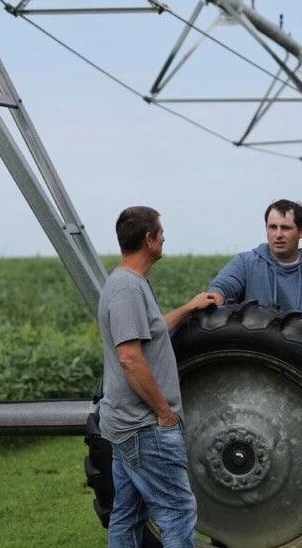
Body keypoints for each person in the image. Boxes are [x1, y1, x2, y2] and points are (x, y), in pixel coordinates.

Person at [98, 206, 217, 548]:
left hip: (131, 426)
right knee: (177, 512)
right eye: (160, 232)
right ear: (148, 239)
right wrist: (163, 412)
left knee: (128, 512)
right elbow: (130, 358)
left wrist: (188, 308)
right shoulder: (126, 290)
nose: (164, 237)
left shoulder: (131, 284)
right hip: (145, 426)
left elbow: (149, 333)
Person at [205, 199, 302, 324]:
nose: (278, 235)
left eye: (285, 228)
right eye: (273, 227)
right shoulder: (245, 263)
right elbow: (223, 286)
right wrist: (216, 297)